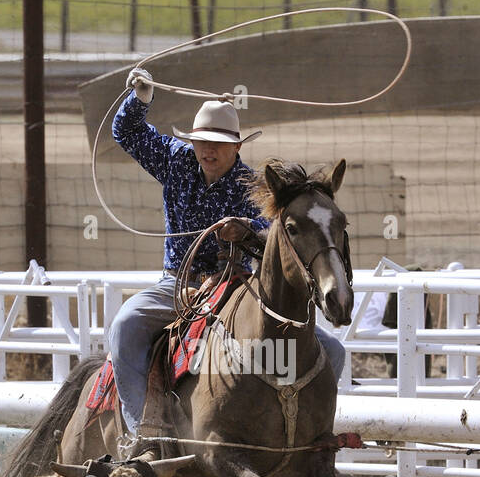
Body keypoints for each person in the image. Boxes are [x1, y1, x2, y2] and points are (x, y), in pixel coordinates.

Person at [108, 65, 346, 446]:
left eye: (219, 142)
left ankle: (307, 436)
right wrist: (140, 99)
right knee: (126, 324)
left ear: (237, 147)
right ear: (193, 141)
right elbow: (127, 132)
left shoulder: (252, 186)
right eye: (203, 141)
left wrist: (248, 230)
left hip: (235, 290)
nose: (209, 150)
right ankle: (141, 430)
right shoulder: (176, 161)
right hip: (178, 285)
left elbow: (279, 235)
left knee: (331, 351)